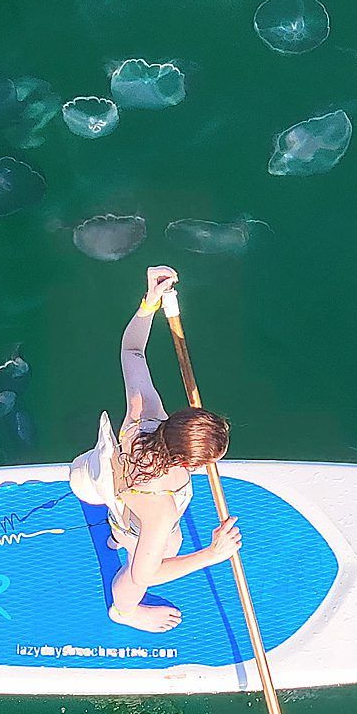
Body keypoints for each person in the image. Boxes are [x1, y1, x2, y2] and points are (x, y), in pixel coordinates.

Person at [98, 267, 241, 633]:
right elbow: (150, 573)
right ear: (188, 463)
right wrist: (211, 555)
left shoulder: (145, 412)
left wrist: (150, 303)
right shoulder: (161, 512)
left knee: (133, 529)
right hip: (141, 516)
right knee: (135, 579)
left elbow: (131, 351)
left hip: (120, 486)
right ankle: (124, 612)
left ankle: (120, 533)